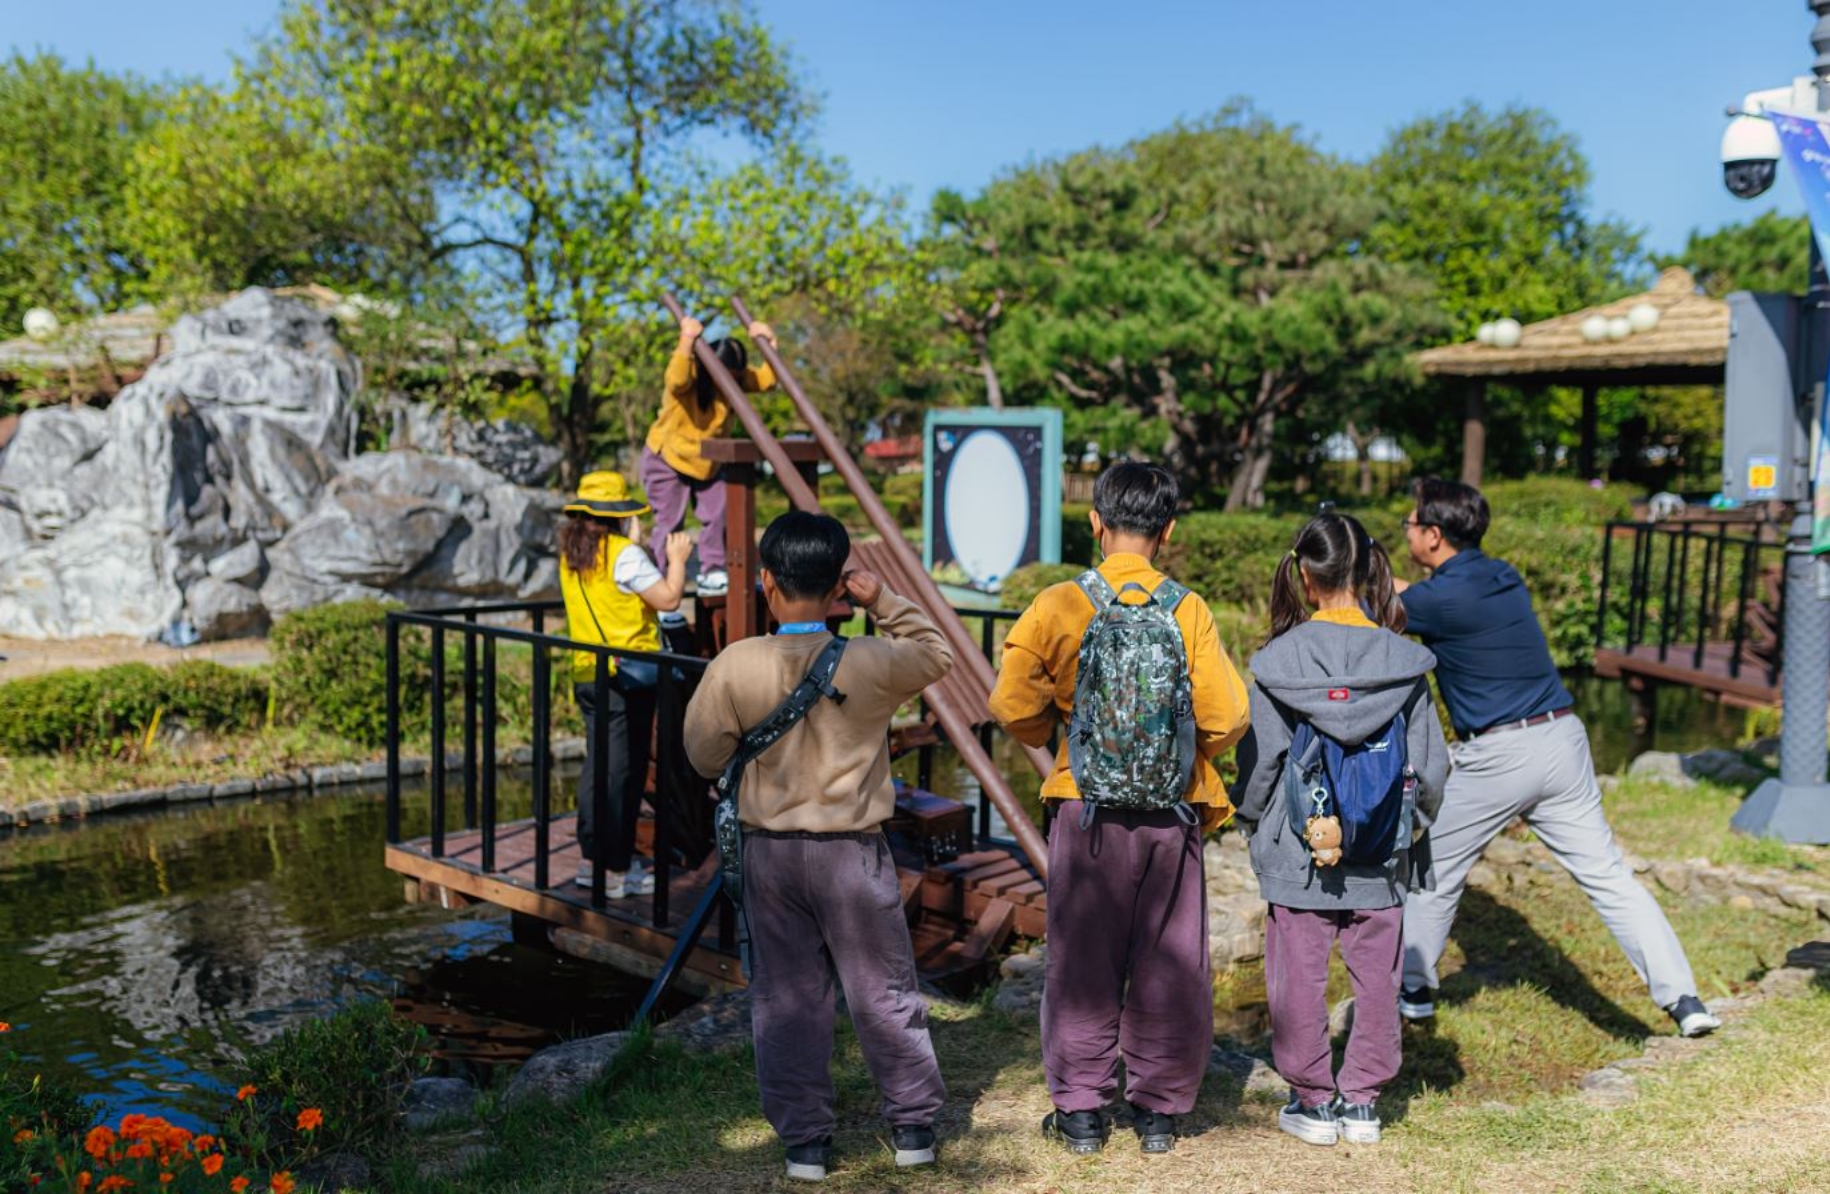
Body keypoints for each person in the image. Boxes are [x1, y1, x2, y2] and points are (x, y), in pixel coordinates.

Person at [1394, 477, 1721, 1038]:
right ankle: (1686, 1001)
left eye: (1409, 522)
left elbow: (1383, 606)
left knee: (1432, 870)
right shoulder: (1501, 576)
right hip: (1564, 740)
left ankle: (1415, 990)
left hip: (1500, 756)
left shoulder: (1437, 600)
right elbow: (1416, 595)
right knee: (1610, 878)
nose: (1404, 529)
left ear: (1432, 535)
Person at [989, 460, 1251, 1156]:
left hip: (1088, 808)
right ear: (1167, 530)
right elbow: (1227, 715)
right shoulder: (1187, 608)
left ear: (1095, 523)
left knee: (1081, 962)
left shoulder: (1058, 603)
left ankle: (1080, 1113)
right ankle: (1159, 1114)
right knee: (1169, 958)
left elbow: (1011, 703)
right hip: (1172, 810)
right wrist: (1182, 753)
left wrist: (1059, 739)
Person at [683, 511, 951, 1182]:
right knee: (882, 988)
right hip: (853, 853)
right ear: (839, 588)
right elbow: (936, 650)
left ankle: (806, 1144)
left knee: (786, 996)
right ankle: (913, 1125)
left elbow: (701, 754)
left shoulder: (736, 664)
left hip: (769, 854)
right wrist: (880, 599)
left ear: (767, 582)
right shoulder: (872, 660)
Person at [1229, 512, 1448, 1148]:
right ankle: (1363, 1103)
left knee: (1296, 974)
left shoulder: (1278, 661)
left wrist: (1251, 822)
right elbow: (1431, 766)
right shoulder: (1405, 663)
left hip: (1299, 851)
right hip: (1380, 855)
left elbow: (1263, 762)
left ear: (1304, 575)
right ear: (1372, 570)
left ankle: (1313, 1100)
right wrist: (1407, 827)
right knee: (1376, 976)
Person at [557, 471, 691, 898]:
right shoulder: (623, 554)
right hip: (625, 675)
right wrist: (679, 559)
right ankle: (614, 868)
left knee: (597, 766)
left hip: (587, 671)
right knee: (623, 770)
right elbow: (668, 599)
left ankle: (591, 859)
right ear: (616, 515)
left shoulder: (571, 553)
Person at [641, 314, 777, 595]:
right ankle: (662, 579)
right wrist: (686, 339)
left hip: (709, 463)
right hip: (669, 458)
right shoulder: (691, 375)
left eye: (737, 376)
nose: (734, 381)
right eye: (729, 375)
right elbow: (675, 380)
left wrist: (770, 341)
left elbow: (766, 380)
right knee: (669, 522)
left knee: (718, 514)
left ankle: (713, 571)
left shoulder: (733, 383)